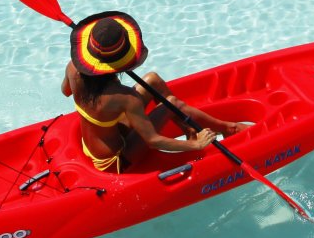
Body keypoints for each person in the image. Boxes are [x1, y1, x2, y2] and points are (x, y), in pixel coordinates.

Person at [63, 11, 248, 173]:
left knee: (152, 80)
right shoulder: (125, 98)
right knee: (171, 103)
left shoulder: (73, 69)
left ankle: (189, 128)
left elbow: (66, 91)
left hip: (95, 142)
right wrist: (195, 145)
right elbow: (153, 140)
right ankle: (227, 128)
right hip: (116, 161)